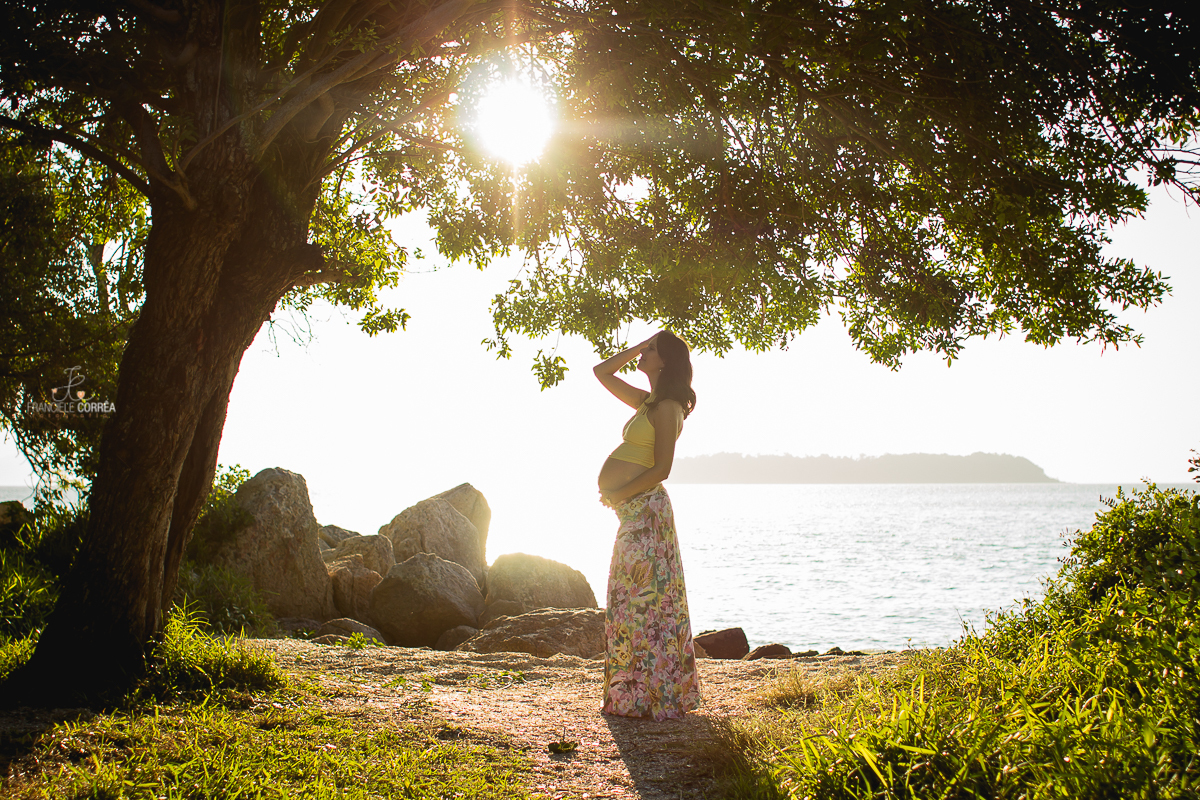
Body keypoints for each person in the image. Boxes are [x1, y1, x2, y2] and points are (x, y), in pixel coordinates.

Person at [594, 330, 701, 720]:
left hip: (646, 511)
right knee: (627, 602)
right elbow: (601, 372)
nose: (644, 352)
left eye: (651, 349)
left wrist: (620, 494)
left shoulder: (668, 406)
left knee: (646, 603)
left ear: (666, 361)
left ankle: (657, 696)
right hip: (632, 511)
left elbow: (662, 469)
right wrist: (639, 348)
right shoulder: (646, 402)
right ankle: (632, 695)